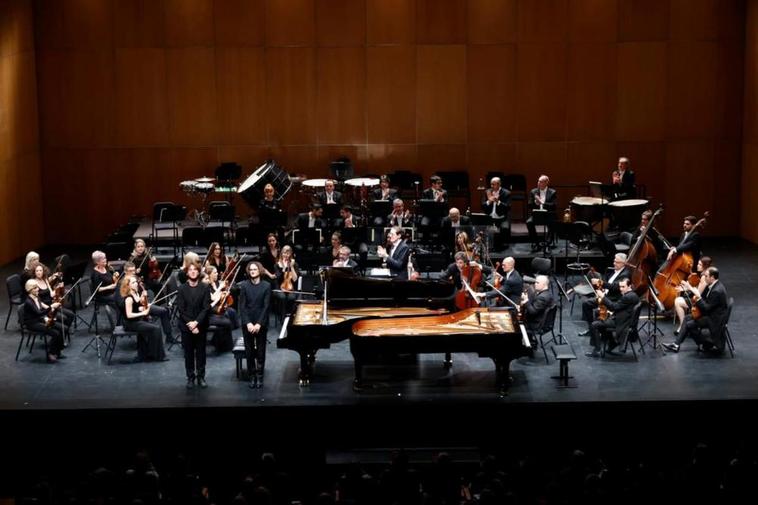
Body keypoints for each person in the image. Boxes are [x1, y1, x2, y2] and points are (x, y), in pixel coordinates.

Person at [663, 267, 728, 354]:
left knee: (689, 325)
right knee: (687, 318)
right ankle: (676, 345)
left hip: (713, 319)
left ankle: (704, 344)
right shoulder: (714, 285)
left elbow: (706, 308)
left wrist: (699, 298)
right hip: (711, 314)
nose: (704, 277)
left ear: (712, 277)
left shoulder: (717, 291)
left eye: (706, 276)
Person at [119, 262, 174, 342]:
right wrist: (139, 308)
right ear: (125, 272)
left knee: (164, 311)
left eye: (134, 271)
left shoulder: (136, 281)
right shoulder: (122, 283)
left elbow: (141, 294)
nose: (133, 273)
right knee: (148, 320)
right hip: (134, 311)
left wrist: (142, 298)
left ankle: (169, 336)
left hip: (142, 305)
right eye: (130, 271)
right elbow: (121, 303)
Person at [585, 277, 639, 357]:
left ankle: (597, 350)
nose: (620, 289)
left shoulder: (627, 297)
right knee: (599, 316)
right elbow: (621, 307)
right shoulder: (633, 295)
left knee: (594, 325)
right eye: (620, 286)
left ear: (629, 286)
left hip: (622, 322)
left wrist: (603, 297)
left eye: (623, 287)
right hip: (624, 318)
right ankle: (612, 342)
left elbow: (614, 307)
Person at [176, 263, 211, 387]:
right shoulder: (181, 289)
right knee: (188, 354)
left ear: (198, 272)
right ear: (187, 273)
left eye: (195, 270)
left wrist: (196, 323)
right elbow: (181, 309)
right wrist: (191, 325)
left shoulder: (205, 287)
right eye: (190, 270)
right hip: (186, 326)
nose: (192, 272)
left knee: (201, 353)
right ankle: (190, 377)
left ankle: (201, 377)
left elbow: (206, 308)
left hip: (201, 325)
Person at [579, 253, 632, 334]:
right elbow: (606, 280)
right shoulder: (612, 270)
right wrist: (601, 288)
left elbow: (615, 286)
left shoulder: (625, 274)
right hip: (605, 295)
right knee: (586, 303)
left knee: (597, 309)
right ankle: (591, 328)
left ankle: (598, 328)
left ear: (623, 263)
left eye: (617, 262)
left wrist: (601, 283)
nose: (614, 263)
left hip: (613, 299)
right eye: (614, 261)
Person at [239, 261, 272, 388]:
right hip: (247, 323)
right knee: (249, 352)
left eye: (255, 269)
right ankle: (252, 376)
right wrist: (248, 323)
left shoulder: (266, 286)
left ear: (259, 271)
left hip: (260, 322)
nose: (252, 271)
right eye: (251, 269)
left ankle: (260, 376)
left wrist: (258, 323)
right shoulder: (244, 286)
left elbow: (266, 306)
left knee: (261, 351)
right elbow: (242, 306)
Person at [120, 275, 167, 362]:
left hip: (137, 320)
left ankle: (149, 354)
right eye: (133, 283)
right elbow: (129, 315)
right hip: (130, 323)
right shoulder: (129, 298)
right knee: (156, 329)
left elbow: (137, 306)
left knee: (153, 327)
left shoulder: (136, 293)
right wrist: (143, 312)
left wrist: (143, 303)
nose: (136, 284)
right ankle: (158, 356)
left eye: (136, 282)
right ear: (128, 285)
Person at [23, 279, 65, 363]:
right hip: (32, 323)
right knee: (55, 333)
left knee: (60, 328)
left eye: (37, 287)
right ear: (29, 290)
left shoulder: (37, 296)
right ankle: (51, 353)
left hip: (39, 319)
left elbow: (40, 310)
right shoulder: (28, 302)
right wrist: (51, 307)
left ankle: (57, 351)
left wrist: (46, 317)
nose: (37, 289)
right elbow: (38, 313)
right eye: (34, 288)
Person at [29, 260, 74, 332]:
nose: (39, 272)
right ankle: (61, 334)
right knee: (64, 318)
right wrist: (50, 308)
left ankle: (65, 333)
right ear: (34, 272)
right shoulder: (33, 283)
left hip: (52, 304)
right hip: (45, 308)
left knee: (71, 315)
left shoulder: (45, 280)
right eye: (37, 271)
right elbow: (37, 301)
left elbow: (51, 294)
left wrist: (58, 288)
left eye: (40, 270)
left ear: (43, 271)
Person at [673, 256, 713, 335]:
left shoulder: (704, 278)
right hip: (700, 300)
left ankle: (682, 327)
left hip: (700, 304)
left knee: (678, 301)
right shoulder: (704, 275)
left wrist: (688, 287)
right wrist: (685, 288)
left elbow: (698, 293)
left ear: (705, 266)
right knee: (680, 299)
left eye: (700, 264)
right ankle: (683, 326)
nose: (697, 265)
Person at [204, 265, 238, 353]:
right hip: (211, 308)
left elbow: (220, 297)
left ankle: (223, 341)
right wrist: (219, 290)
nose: (217, 274)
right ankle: (224, 343)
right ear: (209, 275)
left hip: (217, 305)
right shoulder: (206, 286)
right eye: (215, 273)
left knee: (232, 312)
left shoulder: (217, 283)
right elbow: (213, 298)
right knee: (226, 315)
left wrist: (225, 298)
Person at [526, 175, 557, 251]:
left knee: (553, 222)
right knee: (529, 222)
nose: (538, 183)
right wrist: (535, 203)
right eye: (538, 181)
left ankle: (548, 242)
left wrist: (542, 202)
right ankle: (536, 243)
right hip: (537, 214)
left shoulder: (552, 192)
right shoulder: (533, 191)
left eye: (541, 182)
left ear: (546, 183)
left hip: (548, 214)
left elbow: (554, 205)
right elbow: (529, 205)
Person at [482, 177, 511, 247]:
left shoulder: (506, 193)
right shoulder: (487, 192)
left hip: (501, 218)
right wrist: (489, 201)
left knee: (504, 228)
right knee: (483, 228)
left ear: (499, 184)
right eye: (491, 184)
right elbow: (482, 206)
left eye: (493, 184)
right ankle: (490, 245)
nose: (492, 186)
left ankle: (501, 245)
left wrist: (498, 201)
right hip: (490, 218)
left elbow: (507, 207)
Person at [273, 245, 299, 320]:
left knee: (292, 297)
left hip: (291, 288)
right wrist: (283, 268)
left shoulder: (295, 264)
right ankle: (283, 318)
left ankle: (291, 318)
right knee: (282, 297)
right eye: (284, 253)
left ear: (291, 254)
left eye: (288, 253)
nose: (286, 255)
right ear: (281, 253)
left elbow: (295, 279)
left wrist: (292, 267)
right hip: (279, 288)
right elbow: (278, 278)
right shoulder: (277, 265)